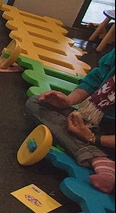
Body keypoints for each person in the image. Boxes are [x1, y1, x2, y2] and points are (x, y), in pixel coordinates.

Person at [25, 49, 115, 193]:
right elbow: (95, 79)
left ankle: (94, 156)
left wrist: (92, 138)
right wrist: (68, 100)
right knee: (37, 103)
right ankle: (100, 158)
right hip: (95, 122)